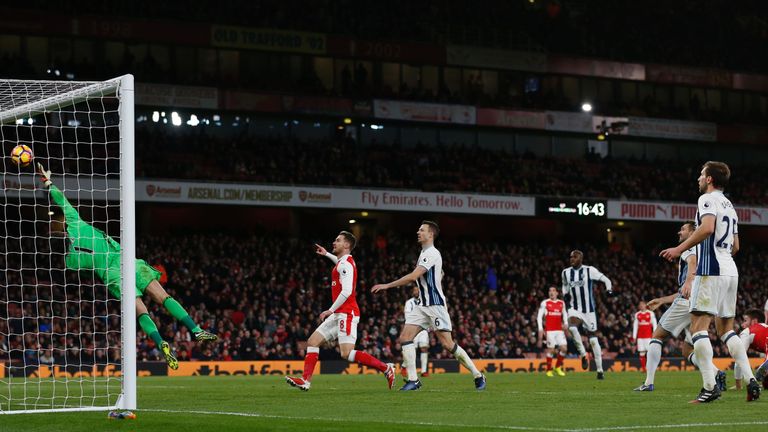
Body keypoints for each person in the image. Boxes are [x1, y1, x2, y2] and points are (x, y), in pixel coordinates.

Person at [36, 163, 217, 371]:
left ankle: (161, 343)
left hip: (112, 274)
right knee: (165, 298)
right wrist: (48, 182)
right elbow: (62, 201)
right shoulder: (76, 223)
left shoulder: (72, 260)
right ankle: (196, 329)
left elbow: (81, 273)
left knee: (141, 312)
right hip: (126, 260)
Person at [660, 161, 761, 403]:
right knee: (726, 330)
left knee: (697, 328)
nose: (698, 178)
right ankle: (750, 380)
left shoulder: (707, 200)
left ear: (709, 180)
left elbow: (706, 228)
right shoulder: (730, 206)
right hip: (730, 270)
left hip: (711, 270)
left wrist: (678, 249)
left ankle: (709, 387)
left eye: (701, 175)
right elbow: (736, 246)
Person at [372, 220, 486, 391]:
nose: (418, 232)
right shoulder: (424, 253)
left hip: (435, 306)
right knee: (405, 337)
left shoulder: (431, 253)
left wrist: (387, 285)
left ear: (430, 234)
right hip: (421, 305)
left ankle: (477, 374)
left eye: (422, 230)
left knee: (448, 345)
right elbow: (436, 274)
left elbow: (413, 277)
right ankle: (413, 380)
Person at [285, 231, 395, 391]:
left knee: (346, 353)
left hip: (347, 313)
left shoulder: (346, 265)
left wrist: (330, 309)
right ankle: (305, 380)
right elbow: (339, 262)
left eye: (337, 240)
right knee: (313, 341)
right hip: (339, 313)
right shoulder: (344, 262)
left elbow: (347, 291)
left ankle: (386, 368)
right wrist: (327, 254)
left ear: (346, 245)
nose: (334, 242)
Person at [634, 222, 726, 392]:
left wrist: (689, 281)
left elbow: (692, 263)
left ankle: (648, 382)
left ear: (693, 232)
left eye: (683, 229)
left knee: (657, 336)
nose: (679, 232)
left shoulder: (690, 249)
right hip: (703, 300)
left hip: (687, 303)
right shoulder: (704, 251)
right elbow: (683, 290)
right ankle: (716, 372)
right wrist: (662, 300)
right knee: (688, 349)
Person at [561, 249, 614, 380]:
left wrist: (609, 290)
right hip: (575, 308)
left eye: (574, 257)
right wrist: (565, 293)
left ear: (580, 259)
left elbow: (606, 280)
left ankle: (600, 370)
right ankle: (583, 354)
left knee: (593, 340)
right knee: (572, 327)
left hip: (589, 311)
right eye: (570, 257)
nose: (571, 259)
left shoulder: (589, 270)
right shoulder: (566, 272)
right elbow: (564, 286)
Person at [537, 286, 568, 377]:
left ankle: (558, 367)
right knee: (551, 350)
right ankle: (548, 370)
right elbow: (539, 316)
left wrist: (566, 322)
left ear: (557, 293)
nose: (551, 292)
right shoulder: (545, 303)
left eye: (553, 291)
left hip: (559, 330)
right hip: (549, 330)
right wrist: (540, 329)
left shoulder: (561, 303)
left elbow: (565, 313)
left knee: (564, 349)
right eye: (550, 290)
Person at [401, 286, 430, 378]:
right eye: (415, 290)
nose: (416, 292)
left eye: (418, 290)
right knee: (411, 349)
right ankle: (404, 366)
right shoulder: (409, 302)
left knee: (424, 348)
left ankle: (424, 371)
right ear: (412, 292)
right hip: (413, 327)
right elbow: (408, 315)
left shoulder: (425, 302)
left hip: (423, 329)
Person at [737, 309, 768, 390]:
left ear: (754, 321)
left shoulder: (746, 332)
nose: (742, 324)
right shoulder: (765, 327)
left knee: (740, 355)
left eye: (745, 320)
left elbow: (740, 357)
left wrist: (738, 385)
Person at [632, 301, 657, 372]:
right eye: (640, 305)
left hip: (648, 336)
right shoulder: (637, 314)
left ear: (645, 305)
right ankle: (644, 369)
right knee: (641, 352)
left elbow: (654, 324)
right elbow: (635, 326)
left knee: (649, 352)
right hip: (640, 337)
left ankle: (650, 368)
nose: (641, 306)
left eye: (642, 305)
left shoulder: (650, 313)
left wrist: (655, 334)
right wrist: (634, 337)